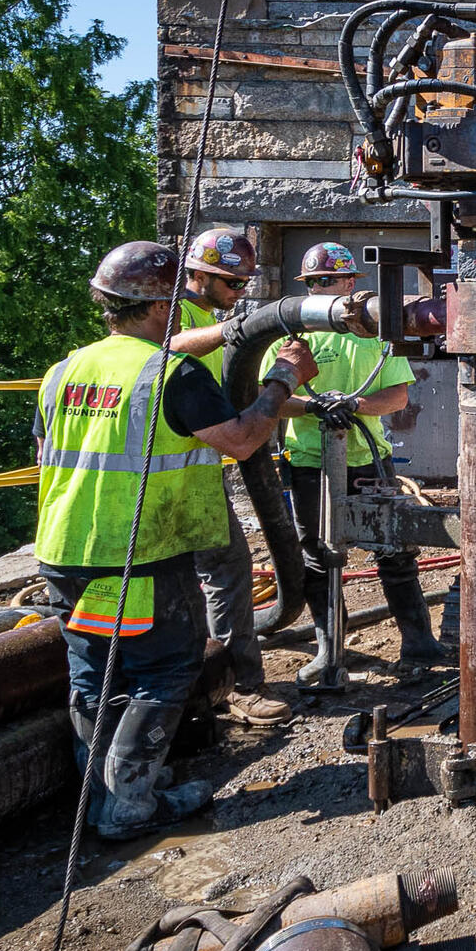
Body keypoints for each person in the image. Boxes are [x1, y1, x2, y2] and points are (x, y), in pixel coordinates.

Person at [33, 239, 316, 839]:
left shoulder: (65, 369)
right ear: (164, 308)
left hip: (63, 547)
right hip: (139, 549)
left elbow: (45, 453)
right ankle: (129, 806)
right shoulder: (169, 373)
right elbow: (242, 440)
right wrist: (283, 379)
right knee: (164, 671)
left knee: (93, 674)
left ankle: (97, 798)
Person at [268, 242, 442, 667]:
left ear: (351, 283)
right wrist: (312, 406)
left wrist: (355, 405)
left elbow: (397, 397)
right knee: (318, 557)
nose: (324, 289)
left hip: (368, 460)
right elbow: (268, 399)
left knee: (393, 548)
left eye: (333, 280)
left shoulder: (371, 334)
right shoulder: (289, 334)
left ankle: (419, 644)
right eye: (315, 283)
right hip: (309, 462)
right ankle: (332, 650)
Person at [162, 225, 291, 728]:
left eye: (243, 286)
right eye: (232, 284)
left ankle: (203, 679)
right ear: (198, 274)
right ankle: (239, 685)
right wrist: (239, 328)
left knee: (208, 579)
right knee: (227, 575)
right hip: (176, 481)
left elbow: (235, 400)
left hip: (191, 476)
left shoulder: (202, 316)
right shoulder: (175, 311)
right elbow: (168, 347)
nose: (238, 294)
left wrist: (303, 400)